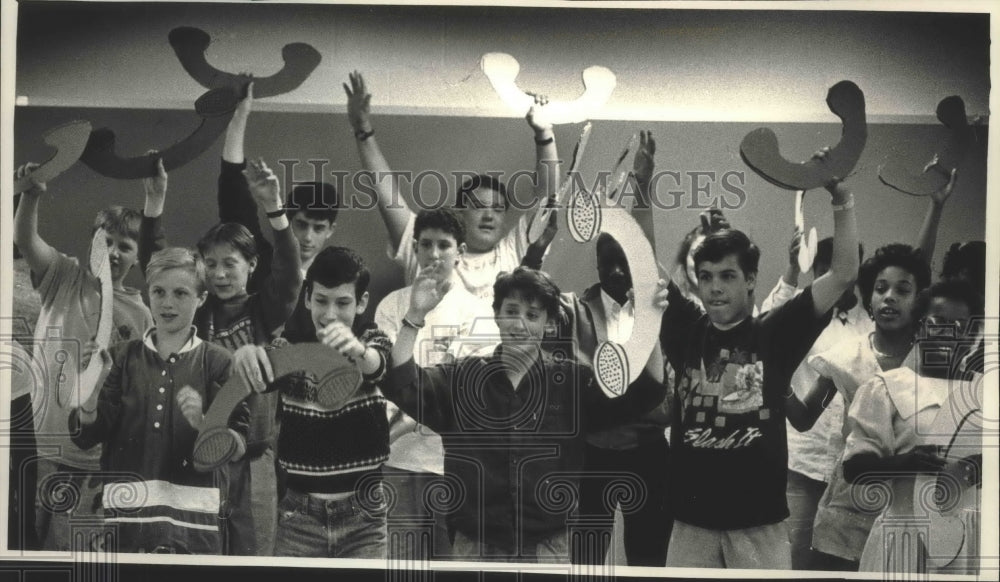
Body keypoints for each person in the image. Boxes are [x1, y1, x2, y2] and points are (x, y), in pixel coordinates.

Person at [383, 266, 667, 563]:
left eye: (532, 315)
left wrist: (651, 325)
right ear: (496, 314)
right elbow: (402, 384)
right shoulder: (462, 379)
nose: (519, 324)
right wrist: (415, 315)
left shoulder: (573, 382)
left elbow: (647, 392)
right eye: (511, 311)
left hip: (550, 547)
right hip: (476, 547)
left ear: (549, 324)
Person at [660, 170, 859, 569]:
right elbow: (641, 267)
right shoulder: (686, 330)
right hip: (691, 520)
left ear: (750, 280)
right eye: (706, 277)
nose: (715, 287)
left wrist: (841, 198)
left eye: (728, 276)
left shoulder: (774, 332)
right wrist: (642, 183)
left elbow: (843, 274)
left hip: (758, 522)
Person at [139, 156, 302, 555]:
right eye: (210, 264)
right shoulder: (196, 310)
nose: (220, 273)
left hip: (252, 461)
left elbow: (290, 273)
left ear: (252, 265)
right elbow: (155, 265)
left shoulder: (264, 310)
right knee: (198, 554)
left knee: (250, 558)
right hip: (195, 455)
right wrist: (154, 204)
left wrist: (274, 208)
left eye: (230, 263)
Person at [69, 247, 249, 554]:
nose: (167, 303)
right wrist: (91, 388)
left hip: (196, 528)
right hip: (126, 523)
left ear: (201, 298)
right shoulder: (120, 357)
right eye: (159, 291)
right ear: (148, 293)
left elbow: (240, 445)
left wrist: (206, 424)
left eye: (181, 293)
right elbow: (85, 436)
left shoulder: (220, 363)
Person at [14, 163, 153, 551]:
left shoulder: (142, 315)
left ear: (137, 256)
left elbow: (135, 388)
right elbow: (24, 238)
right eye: (105, 241)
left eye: (125, 246)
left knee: (69, 553)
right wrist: (31, 194)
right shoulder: (63, 274)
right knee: (22, 546)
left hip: (89, 459)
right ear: (92, 242)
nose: (113, 252)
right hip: (36, 443)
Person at [232, 246, 393, 558]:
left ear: (361, 303)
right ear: (307, 298)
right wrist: (247, 354)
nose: (330, 314)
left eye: (342, 302)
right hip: (299, 518)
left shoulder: (372, 339)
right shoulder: (289, 347)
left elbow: (378, 365)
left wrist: (358, 351)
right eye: (321, 300)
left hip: (365, 519)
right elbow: (261, 369)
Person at [344, 71, 558, 303]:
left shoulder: (513, 251)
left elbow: (546, 200)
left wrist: (544, 133)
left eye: (497, 209)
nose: (489, 216)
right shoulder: (428, 248)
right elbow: (387, 195)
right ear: (459, 214)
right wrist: (363, 131)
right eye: (479, 206)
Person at [786, 243, 933, 570]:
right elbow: (804, 417)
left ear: (918, 300)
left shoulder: (930, 360)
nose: (889, 297)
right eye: (881, 289)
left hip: (910, 501)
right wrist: (779, 383)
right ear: (868, 297)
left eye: (902, 290)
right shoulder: (846, 358)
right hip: (850, 501)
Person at [374, 208, 499, 560]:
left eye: (444, 245)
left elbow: (459, 398)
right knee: (399, 569)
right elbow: (385, 382)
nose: (434, 254)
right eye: (426, 244)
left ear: (460, 252)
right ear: (415, 248)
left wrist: (406, 417)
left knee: (452, 568)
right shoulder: (391, 306)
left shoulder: (480, 313)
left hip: (453, 468)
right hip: (398, 463)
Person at [843, 279, 984, 575]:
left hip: (969, 539)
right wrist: (906, 463)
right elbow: (854, 469)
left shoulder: (985, 394)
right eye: (938, 323)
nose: (948, 333)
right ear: (919, 328)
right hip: (904, 534)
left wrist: (977, 467)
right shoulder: (888, 388)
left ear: (972, 337)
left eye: (960, 326)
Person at [761, 235, 870, 570]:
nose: (833, 279)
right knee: (795, 557)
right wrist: (791, 269)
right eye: (823, 271)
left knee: (845, 562)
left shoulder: (871, 323)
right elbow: (763, 328)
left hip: (850, 468)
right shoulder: (800, 312)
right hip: (802, 460)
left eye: (840, 270)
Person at [219, 81, 339, 345]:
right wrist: (240, 115)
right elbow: (233, 199)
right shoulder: (261, 263)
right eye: (301, 224)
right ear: (288, 220)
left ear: (331, 230)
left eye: (318, 228)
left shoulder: (338, 280)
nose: (307, 237)